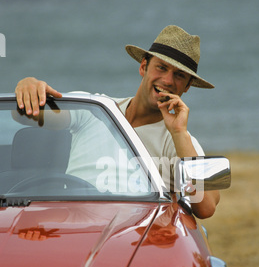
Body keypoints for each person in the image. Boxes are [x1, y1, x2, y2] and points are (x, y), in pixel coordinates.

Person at [15, 25, 220, 219]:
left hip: (132, 235)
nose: (167, 80)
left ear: (187, 87)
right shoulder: (95, 108)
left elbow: (207, 207)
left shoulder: (178, 139)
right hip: (73, 223)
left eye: (179, 75)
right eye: (161, 68)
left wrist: (178, 132)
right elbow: (24, 115)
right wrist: (28, 86)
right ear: (143, 67)